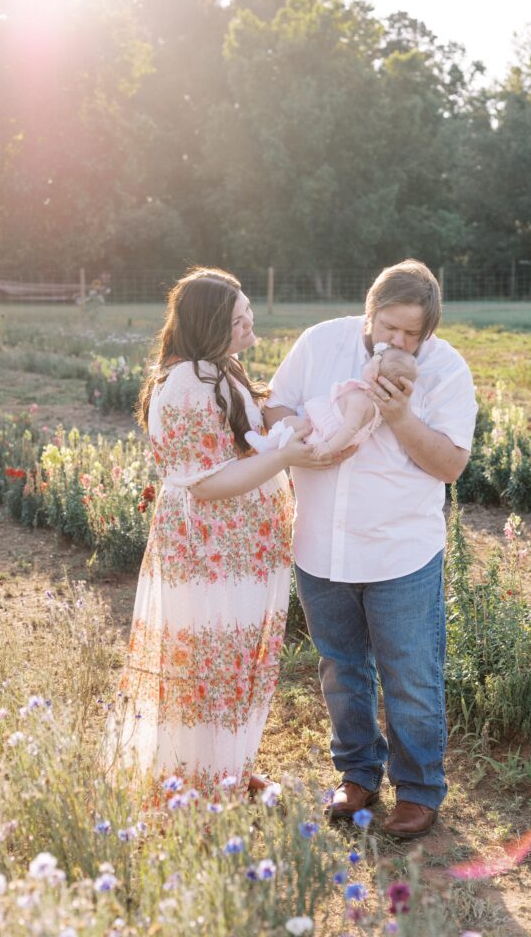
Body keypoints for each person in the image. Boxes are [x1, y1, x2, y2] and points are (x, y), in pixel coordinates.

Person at [264, 259, 477, 839]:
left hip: (399, 550)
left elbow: (452, 464)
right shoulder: (319, 343)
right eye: (389, 326)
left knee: (411, 674)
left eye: (412, 333)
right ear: (369, 309)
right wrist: (302, 433)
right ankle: (358, 773)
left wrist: (400, 416)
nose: (398, 341)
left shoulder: (445, 369)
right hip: (320, 544)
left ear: (428, 331)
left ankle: (419, 790)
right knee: (340, 668)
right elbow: (274, 404)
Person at [104, 267, 324, 798]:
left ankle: (227, 762)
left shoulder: (218, 369)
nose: (251, 326)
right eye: (239, 321)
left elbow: (241, 443)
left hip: (242, 548)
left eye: (249, 314)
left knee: (234, 660)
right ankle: (196, 776)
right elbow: (205, 483)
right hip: (211, 549)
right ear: (208, 325)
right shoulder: (184, 386)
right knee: (208, 662)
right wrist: (285, 458)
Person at [248, 345, 418, 459]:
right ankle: (272, 444)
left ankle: (268, 445)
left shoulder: (362, 401)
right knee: (296, 420)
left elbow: (349, 428)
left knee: (291, 422)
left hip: (324, 431)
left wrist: (328, 447)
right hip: (324, 427)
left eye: (370, 363)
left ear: (376, 376)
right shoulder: (374, 403)